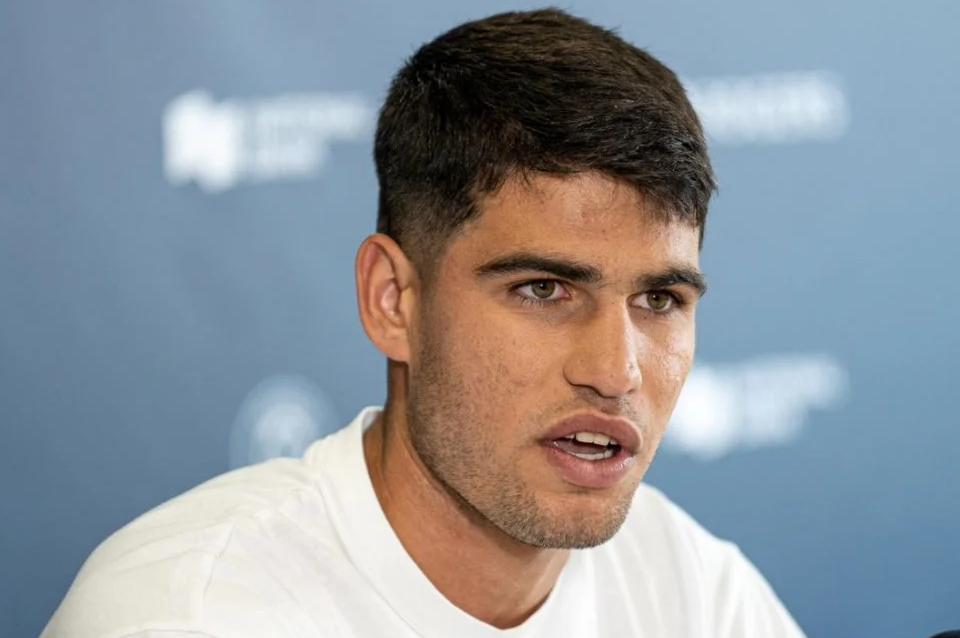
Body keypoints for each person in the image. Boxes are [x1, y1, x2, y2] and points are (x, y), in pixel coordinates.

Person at [42, 8, 807, 638]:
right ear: (393, 300)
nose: (616, 371)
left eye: (659, 300)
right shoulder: (186, 616)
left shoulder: (701, 596)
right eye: (544, 290)